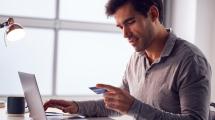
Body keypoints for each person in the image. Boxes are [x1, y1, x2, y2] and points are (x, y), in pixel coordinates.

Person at [44, 0, 211, 120]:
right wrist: (76, 106)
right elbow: (117, 105)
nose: (125, 34)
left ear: (153, 14)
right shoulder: (136, 59)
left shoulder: (190, 61)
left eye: (130, 22)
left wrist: (134, 107)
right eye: (120, 27)